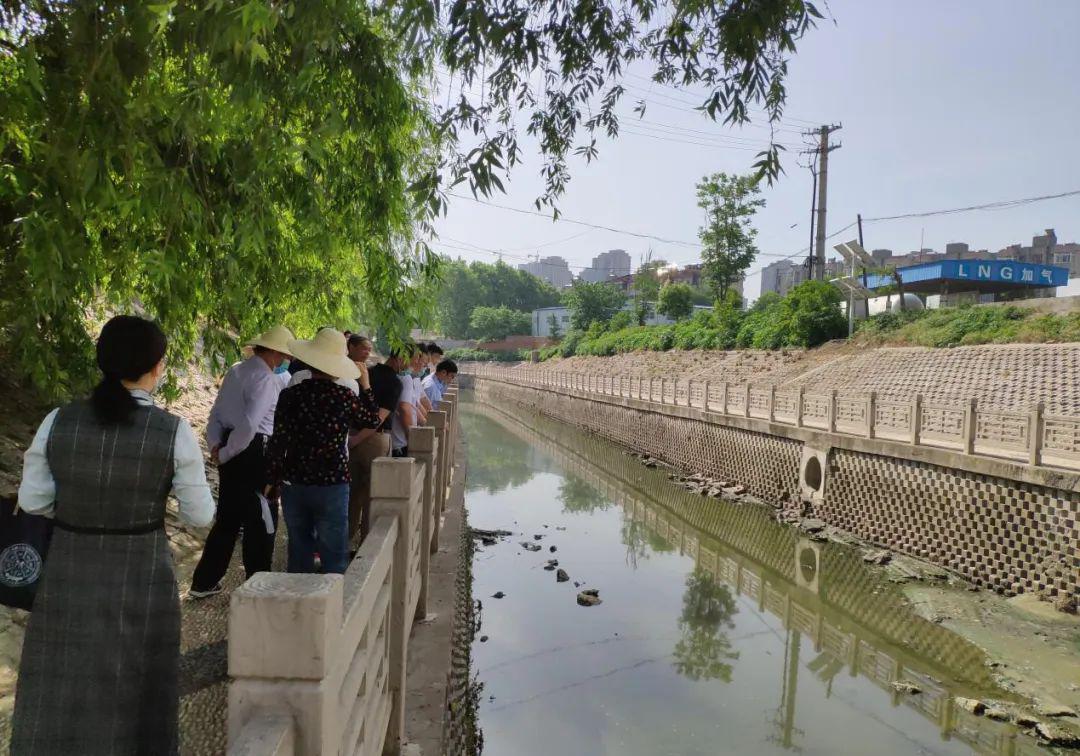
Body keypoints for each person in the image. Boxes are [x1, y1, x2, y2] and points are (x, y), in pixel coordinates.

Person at [13, 315, 215, 755]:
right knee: (139, 681)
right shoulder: (173, 431)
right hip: (142, 574)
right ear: (157, 367)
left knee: (63, 679)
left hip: (68, 570)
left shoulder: (57, 421)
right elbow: (200, 515)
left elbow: (33, 503)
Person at [189, 325, 293, 598]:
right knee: (260, 517)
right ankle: (258, 585)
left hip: (228, 444)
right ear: (272, 351)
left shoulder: (237, 370)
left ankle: (204, 581)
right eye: (282, 352)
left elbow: (217, 414)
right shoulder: (266, 379)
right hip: (254, 450)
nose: (284, 358)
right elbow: (249, 426)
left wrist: (217, 446)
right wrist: (225, 453)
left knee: (228, 517)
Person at [267, 328, 380, 574]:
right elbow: (371, 420)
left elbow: (279, 442)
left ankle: (298, 605)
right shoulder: (344, 396)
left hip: (294, 481)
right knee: (334, 554)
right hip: (333, 482)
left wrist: (272, 481)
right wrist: (367, 386)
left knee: (299, 549)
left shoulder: (290, 395)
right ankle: (333, 606)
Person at [358, 343, 404, 541]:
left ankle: (343, 546)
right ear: (398, 358)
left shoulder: (367, 372)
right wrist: (357, 440)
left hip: (353, 436)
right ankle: (367, 543)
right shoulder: (395, 383)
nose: (416, 364)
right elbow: (380, 418)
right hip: (374, 439)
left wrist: (353, 440)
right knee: (373, 496)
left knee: (351, 496)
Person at [390, 345, 419, 458]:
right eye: (416, 358)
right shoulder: (405, 378)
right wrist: (411, 435)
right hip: (400, 442)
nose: (416, 362)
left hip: (392, 440)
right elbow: (404, 408)